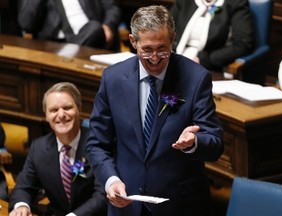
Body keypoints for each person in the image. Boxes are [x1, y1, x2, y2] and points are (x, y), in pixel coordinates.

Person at [86, 5, 223, 216]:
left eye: (162, 48)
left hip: (179, 204)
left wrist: (194, 143)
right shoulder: (112, 78)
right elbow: (96, 144)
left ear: (173, 39)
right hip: (127, 202)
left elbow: (215, 142)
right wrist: (110, 180)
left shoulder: (196, 78)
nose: (156, 58)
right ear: (133, 42)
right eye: (147, 50)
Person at [9, 82, 107, 216]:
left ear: (79, 108)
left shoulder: (98, 143)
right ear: (46, 116)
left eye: (67, 108)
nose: (61, 115)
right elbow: (23, 187)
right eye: (54, 110)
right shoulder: (39, 148)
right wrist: (21, 206)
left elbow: (102, 195)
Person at [170, 0, 254, 71]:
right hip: (174, 58)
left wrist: (204, 60)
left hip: (208, 66)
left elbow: (242, 44)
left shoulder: (236, 3)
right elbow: (165, 29)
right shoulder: (185, 1)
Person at [17, 0, 121, 51]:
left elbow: (111, 7)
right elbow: (25, 24)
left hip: (91, 38)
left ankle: (68, 56)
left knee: (94, 28)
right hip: (53, 45)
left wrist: (108, 26)